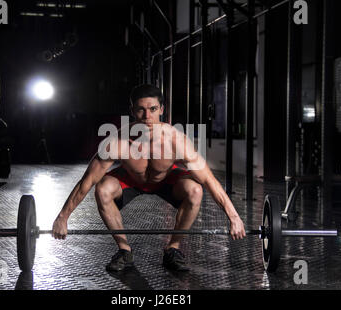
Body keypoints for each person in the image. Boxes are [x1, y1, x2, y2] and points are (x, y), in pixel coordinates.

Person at [52, 84, 246, 272]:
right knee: (102, 189)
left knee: (195, 190)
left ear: (162, 109)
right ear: (132, 111)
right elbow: (86, 182)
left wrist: (234, 217)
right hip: (131, 179)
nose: (147, 117)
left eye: (153, 109)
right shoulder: (117, 142)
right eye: (141, 110)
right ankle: (124, 250)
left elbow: (208, 181)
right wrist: (63, 217)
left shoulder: (177, 141)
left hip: (167, 180)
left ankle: (173, 249)